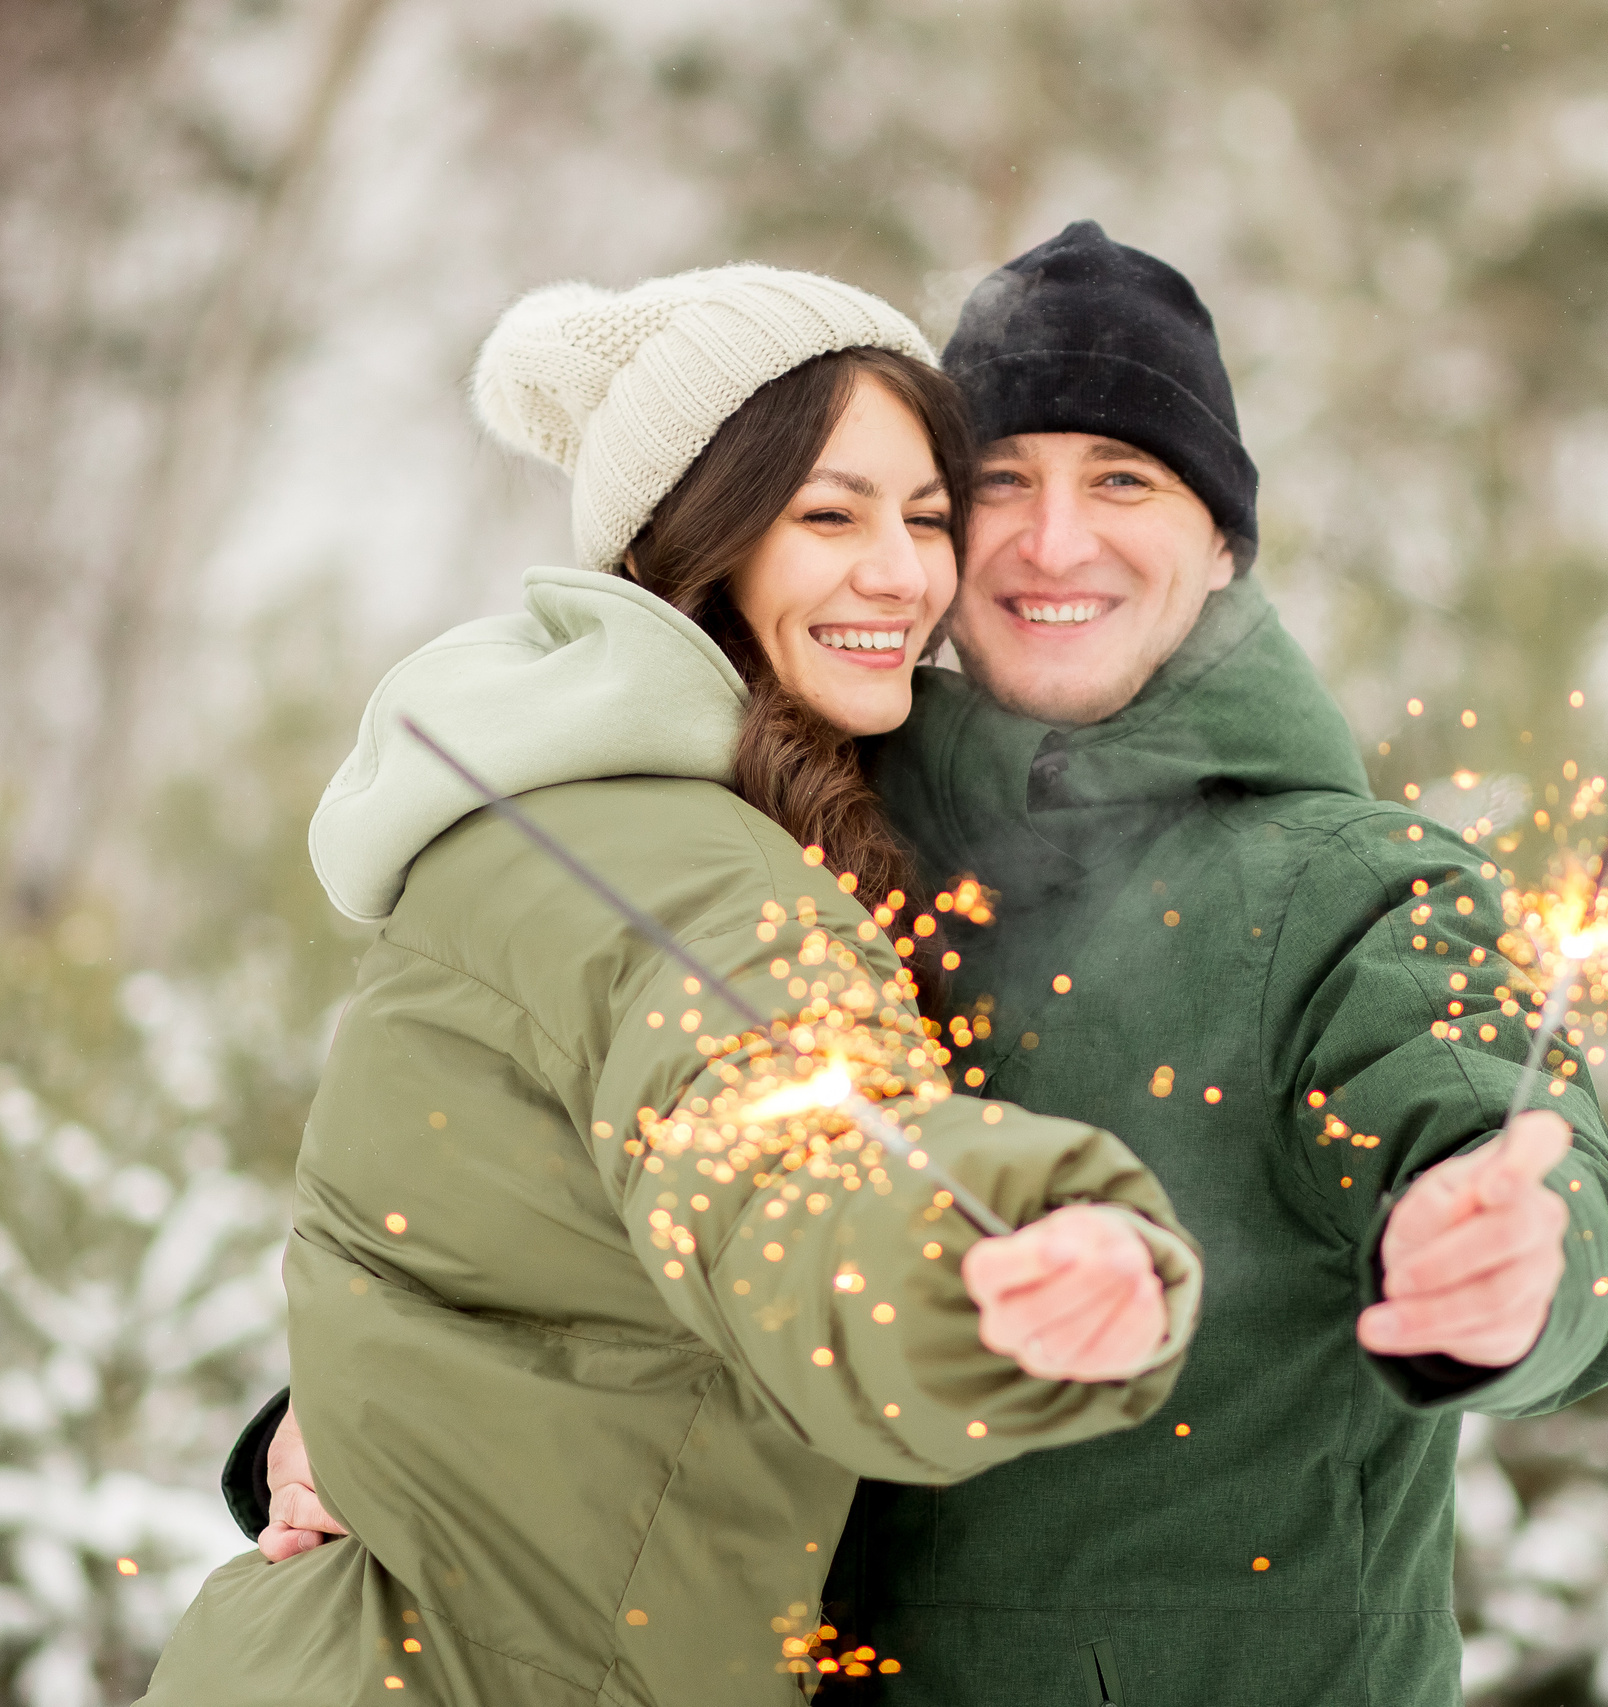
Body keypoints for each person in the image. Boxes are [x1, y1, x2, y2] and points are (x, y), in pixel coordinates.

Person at [245, 226, 1608, 1703]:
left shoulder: (1348, 891)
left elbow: (1511, 1133)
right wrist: (372, 1421)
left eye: (1125, 480)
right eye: (997, 487)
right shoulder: (783, 832)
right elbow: (606, 1204)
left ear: (1224, 542)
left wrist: (1526, 1259)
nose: (1054, 541)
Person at [144, 265, 1203, 1706]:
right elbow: (784, 1145)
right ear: (692, 542)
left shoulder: (544, 810)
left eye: (926, 517)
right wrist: (981, 1264)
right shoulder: (696, 878)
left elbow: (486, 1265)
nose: (904, 575)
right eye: (829, 515)